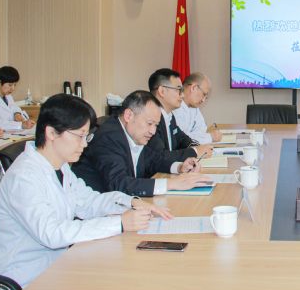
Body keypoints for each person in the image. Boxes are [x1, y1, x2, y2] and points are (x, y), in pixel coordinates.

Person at [0, 94, 171, 290]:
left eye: (86, 137)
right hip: (23, 284)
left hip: (57, 269)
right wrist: (119, 223)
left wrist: (131, 202)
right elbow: (52, 233)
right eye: (79, 136)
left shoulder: (61, 167)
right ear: (51, 133)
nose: (84, 144)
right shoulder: (23, 177)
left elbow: (88, 202)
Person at [72, 90, 211, 196]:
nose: (153, 131)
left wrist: (179, 167)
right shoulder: (108, 137)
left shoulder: (132, 133)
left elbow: (152, 160)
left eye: (156, 125)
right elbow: (119, 183)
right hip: (97, 214)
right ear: (128, 115)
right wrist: (171, 184)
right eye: (149, 123)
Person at [148, 68, 213, 158]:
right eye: (178, 90)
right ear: (162, 91)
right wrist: (195, 151)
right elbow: (160, 156)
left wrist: (197, 147)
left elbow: (182, 139)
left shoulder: (169, 116)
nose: (182, 95)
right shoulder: (150, 119)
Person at [0, 66, 36, 131]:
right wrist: (20, 125)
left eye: (15, 85)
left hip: (9, 133)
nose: (13, 88)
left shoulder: (8, 97)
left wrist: (17, 114)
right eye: (10, 85)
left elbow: (15, 108)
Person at [174, 72, 222, 144]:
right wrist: (210, 137)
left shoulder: (194, 107)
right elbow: (181, 140)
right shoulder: (174, 107)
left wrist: (203, 137)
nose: (203, 100)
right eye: (204, 94)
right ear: (194, 88)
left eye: (206, 97)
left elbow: (202, 131)